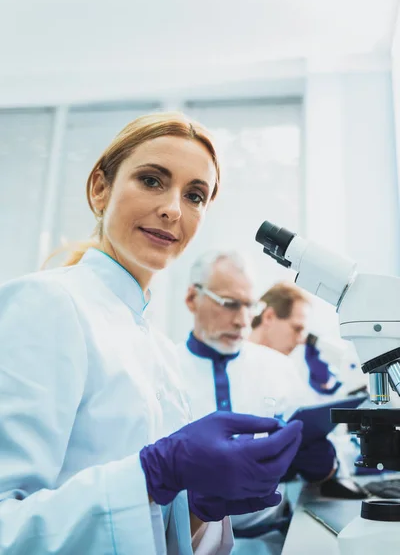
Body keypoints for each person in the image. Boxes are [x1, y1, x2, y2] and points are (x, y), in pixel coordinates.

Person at [0, 113, 303, 555]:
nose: (173, 209)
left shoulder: (158, 348)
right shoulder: (46, 302)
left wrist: (200, 507)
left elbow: (152, 530)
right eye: (152, 180)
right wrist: (153, 474)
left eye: (195, 195)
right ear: (99, 188)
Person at [177, 251, 336, 552]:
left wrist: (321, 463)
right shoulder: (164, 369)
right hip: (189, 544)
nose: (241, 320)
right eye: (229, 304)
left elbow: (309, 445)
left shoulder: (279, 367)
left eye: (250, 306)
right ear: (191, 299)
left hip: (271, 540)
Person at [250, 282, 342, 397]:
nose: (300, 341)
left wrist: (324, 382)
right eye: (297, 328)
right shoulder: (230, 362)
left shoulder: (286, 371)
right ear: (269, 317)